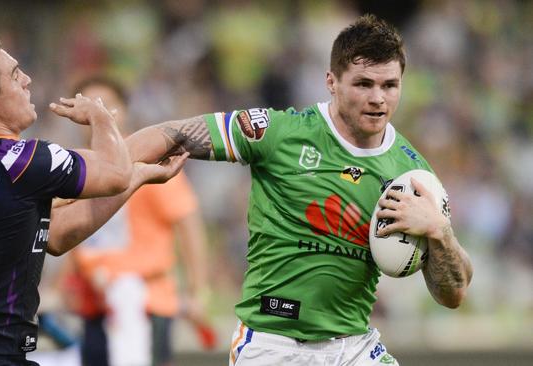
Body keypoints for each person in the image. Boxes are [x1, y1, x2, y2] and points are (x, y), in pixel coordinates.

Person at [124, 14, 473, 365]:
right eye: (363, 84)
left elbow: (454, 293)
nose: (377, 98)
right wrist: (96, 168)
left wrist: (439, 232)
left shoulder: (412, 174)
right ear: (331, 82)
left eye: (389, 86)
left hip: (353, 346)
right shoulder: (280, 133)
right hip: (272, 345)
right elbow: (174, 133)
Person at [0, 30, 187, 366]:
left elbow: (56, 235)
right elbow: (116, 172)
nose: (27, 80)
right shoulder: (22, 160)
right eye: (15, 75)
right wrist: (101, 116)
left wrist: (141, 176)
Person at [61, 76, 213, 366]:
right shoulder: (76, 166)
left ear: (123, 111)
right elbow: (78, 229)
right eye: (85, 107)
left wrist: (197, 291)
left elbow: (188, 222)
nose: (93, 116)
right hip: (95, 303)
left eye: (104, 106)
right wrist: (68, 280)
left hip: (145, 301)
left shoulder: (146, 158)